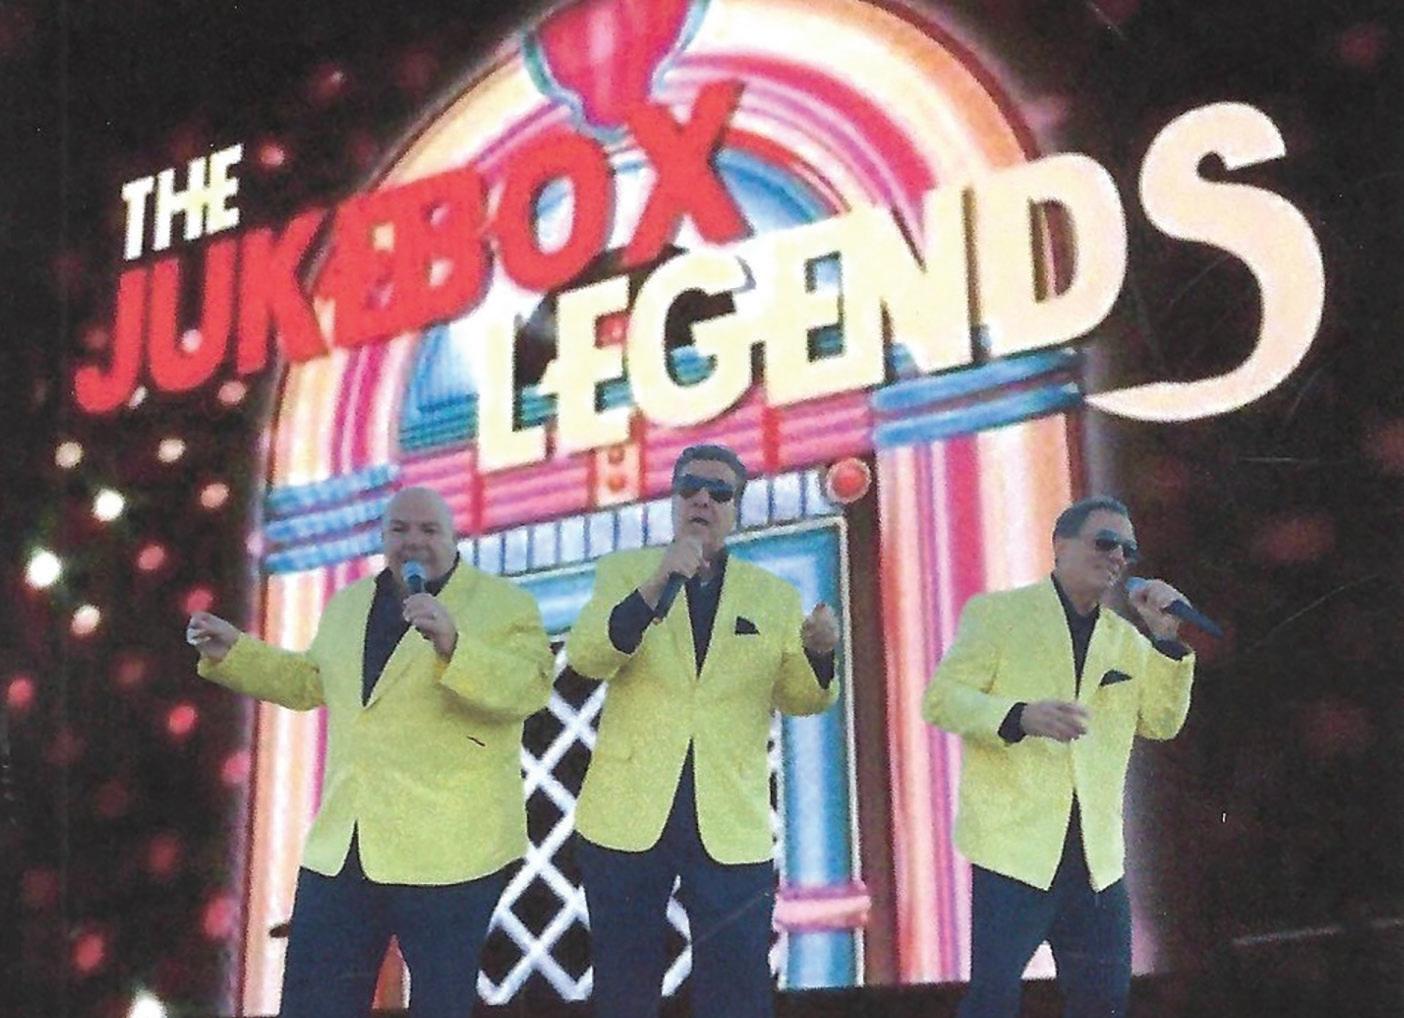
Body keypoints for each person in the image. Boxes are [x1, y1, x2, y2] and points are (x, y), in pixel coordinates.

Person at [186, 486, 553, 1018]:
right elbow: (311, 682)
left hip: (451, 847)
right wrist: (236, 653)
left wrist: (455, 645)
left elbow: (529, 689)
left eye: (428, 529)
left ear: (454, 537)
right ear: (382, 538)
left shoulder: (503, 604)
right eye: (399, 529)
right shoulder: (349, 604)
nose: (413, 541)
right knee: (315, 1003)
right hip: (347, 844)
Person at [565, 444, 840, 1018]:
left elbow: (803, 699)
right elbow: (589, 656)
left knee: (738, 988)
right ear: (674, 500)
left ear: (736, 508)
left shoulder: (773, 596)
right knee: (623, 987)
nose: (702, 501)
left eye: (719, 493)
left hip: (728, 818)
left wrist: (819, 655)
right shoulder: (624, 571)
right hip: (627, 812)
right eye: (690, 488)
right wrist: (657, 582)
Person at [922, 495, 1196, 1018]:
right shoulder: (999, 615)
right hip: (1014, 850)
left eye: (1128, 550)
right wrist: (1019, 716)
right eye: (1106, 542)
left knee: (1103, 1004)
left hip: (1096, 861)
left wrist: (1164, 642)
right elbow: (942, 700)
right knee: (993, 1003)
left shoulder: (1125, 640)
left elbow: (1161, 724)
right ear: (1061, 545)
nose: (1117, 557)